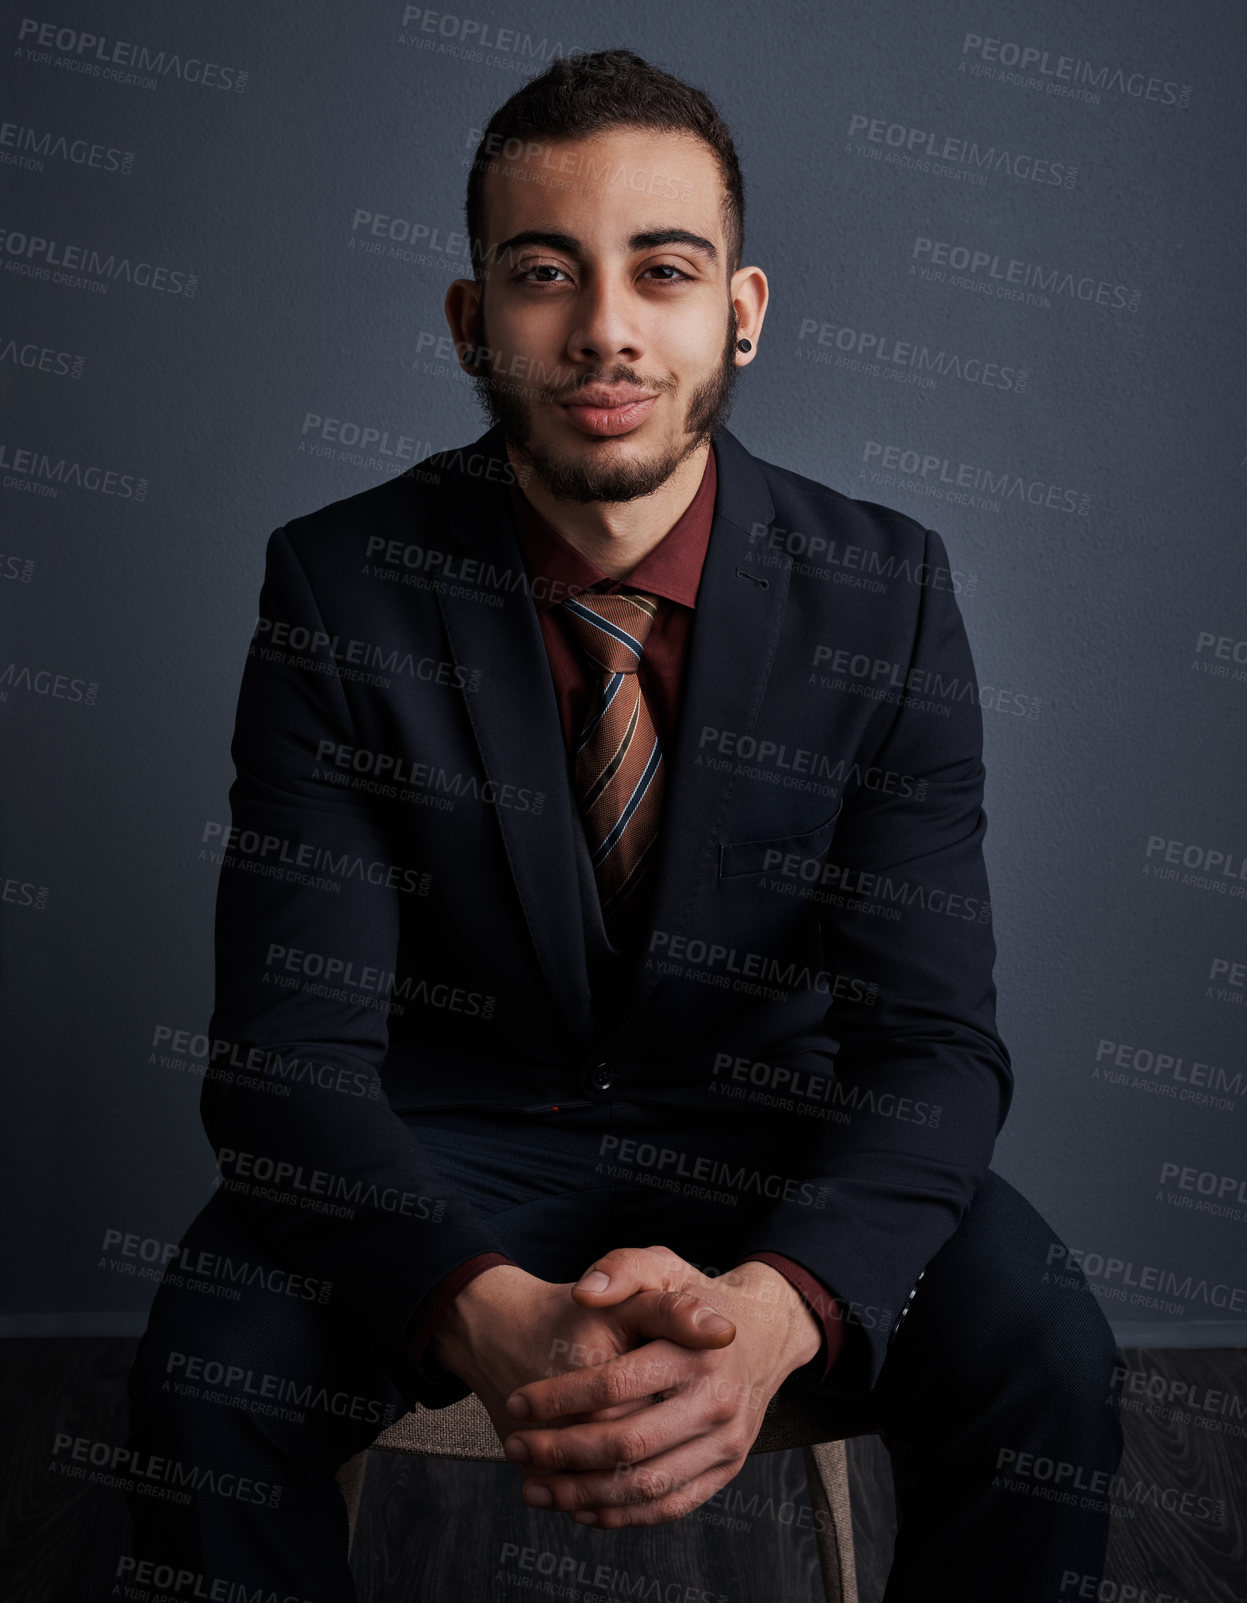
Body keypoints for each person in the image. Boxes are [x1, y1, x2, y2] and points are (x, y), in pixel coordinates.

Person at [126, 47, 1123, 1601]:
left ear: (742, 309)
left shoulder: (889, 590)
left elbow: (934, 1049)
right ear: (471, 320)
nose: (604, 329)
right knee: (204, 1382)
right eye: (544, 274)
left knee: (1049, 1357)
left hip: (769, 1135)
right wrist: (479, 1305)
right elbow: (284, 1059)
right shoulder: (341, 586)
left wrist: (778, 1316)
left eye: (664, 270)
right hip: (448, 1146)